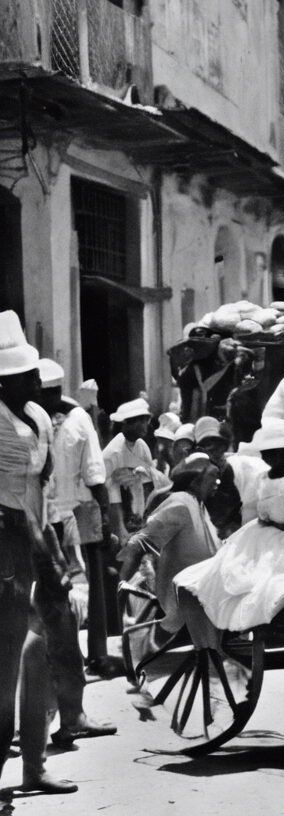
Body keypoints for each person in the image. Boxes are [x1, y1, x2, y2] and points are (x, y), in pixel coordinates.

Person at [0, 312, 77, 795]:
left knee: (33, 650)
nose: (36, 378)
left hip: (31, 536)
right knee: (11, 657)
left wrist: (52, 550)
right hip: (4, 537)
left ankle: (34, 762)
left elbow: (40, 494)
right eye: (26, 374)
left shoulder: (39, 417)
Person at [175, 427, 284, 630]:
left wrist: (283, 526)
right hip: (263, 535)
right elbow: (259, 510)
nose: (269, 459)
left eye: (274, 454)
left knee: (272, 582)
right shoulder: (263, 479)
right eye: (266, 455)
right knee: (234, 569)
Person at [40, 359, 124, 681]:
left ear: (56, 393)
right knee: (59, 583)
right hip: (50, 510)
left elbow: (95, 472)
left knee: (96, 580)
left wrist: (103, 516)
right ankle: (61, 651)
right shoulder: (42, 421)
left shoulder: (79, 421)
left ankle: (99, 654)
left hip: (82, 506)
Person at [117, 454, 222, 638]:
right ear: (196, 480)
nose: (218, 481)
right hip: (184, 605)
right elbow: (139, 543)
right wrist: (119, 597)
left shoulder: (199, 506)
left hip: (202, 596)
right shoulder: (180, 503)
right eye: (213, 475)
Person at [102, 397, 155, 554]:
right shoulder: (112, 453)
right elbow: (109, 491)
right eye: (140, 421)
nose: (145, 426)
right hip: (120, 515)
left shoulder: (141, 446)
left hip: (139, 508)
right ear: (128, 423)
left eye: (146, 421)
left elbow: (151, 479)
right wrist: (120, 527)